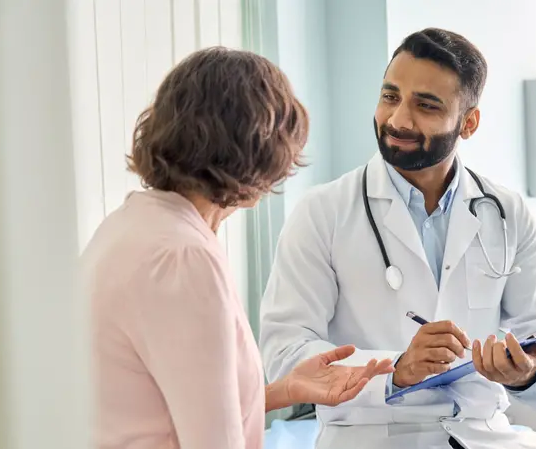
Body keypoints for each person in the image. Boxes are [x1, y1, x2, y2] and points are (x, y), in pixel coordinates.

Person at [259, 28, 536, 449]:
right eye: (390, 97)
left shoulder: (506, 212)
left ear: (469, 122)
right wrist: (396, 367)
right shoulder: (323, 213)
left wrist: (525, 374)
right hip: (371, 435)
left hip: (482, 433)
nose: (398, 120)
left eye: (426, 106)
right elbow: (284, 351)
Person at [80, 47, 394, 449]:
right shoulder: (184, 258)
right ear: (259, 149)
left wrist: (287, 389)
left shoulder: (130, 225)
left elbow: (175, 409)